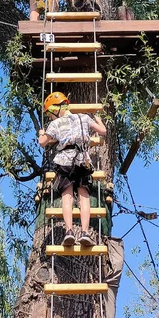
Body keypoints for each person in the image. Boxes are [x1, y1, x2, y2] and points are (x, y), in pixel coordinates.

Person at [38, 92, 107, 247]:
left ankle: (69, 231)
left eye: (50, 114)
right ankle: (85, 233)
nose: (50, 117)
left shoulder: (55, 124)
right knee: (84, 197)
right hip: (83, 160)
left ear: (55, 110)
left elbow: (42, 142)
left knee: (67, 197)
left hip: (65, 161)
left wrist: (41, 134)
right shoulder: (83, 118)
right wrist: (98, 119)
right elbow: (103, 131)